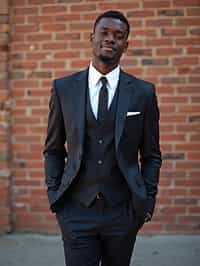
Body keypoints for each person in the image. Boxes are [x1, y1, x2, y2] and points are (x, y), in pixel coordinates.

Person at [44, 10, 162, 266]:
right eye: (104, 33)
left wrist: (146, 201)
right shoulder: (64, 88)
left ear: (126, 45)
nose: (111, 39)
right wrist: (55, 197)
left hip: (123, 212)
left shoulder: (143, 93)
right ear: (92, 38)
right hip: (76, 211)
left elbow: (151, 155)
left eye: (118, 36)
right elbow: (53, 149)